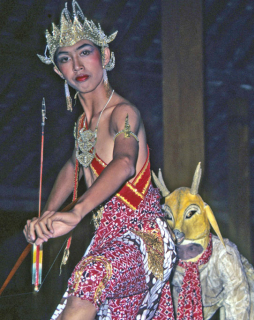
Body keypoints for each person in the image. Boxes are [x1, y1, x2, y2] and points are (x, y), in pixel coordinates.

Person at [23, 1, 176, 319]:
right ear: (58, 70)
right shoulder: (82, 126)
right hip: (107, 239)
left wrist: (76, 212)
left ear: (105, 56)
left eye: (84, 52)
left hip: (143, 237)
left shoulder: (123, 113)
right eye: (65, 58)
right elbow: (72, 167)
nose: (76, 64)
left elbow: (123, 163)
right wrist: (48, 218)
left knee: (87, 280)